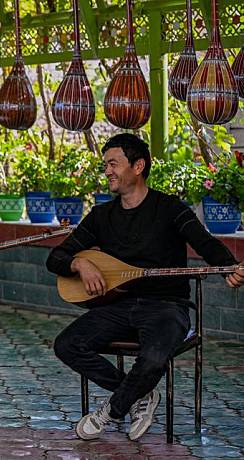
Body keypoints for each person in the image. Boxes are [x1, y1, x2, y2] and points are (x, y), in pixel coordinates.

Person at [46, 133, 243, 441]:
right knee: (66, 344)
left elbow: (204, 242)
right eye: (105, 164)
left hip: (167, 306)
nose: (107, 170)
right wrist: (80, 264)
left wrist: (229, 266)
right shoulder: (101, 216)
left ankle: (111, 410)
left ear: (138, 166)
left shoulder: (169, 208)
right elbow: (56, 257)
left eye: (113, 163)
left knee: (152, 359)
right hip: (118, 306)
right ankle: (140, 396)